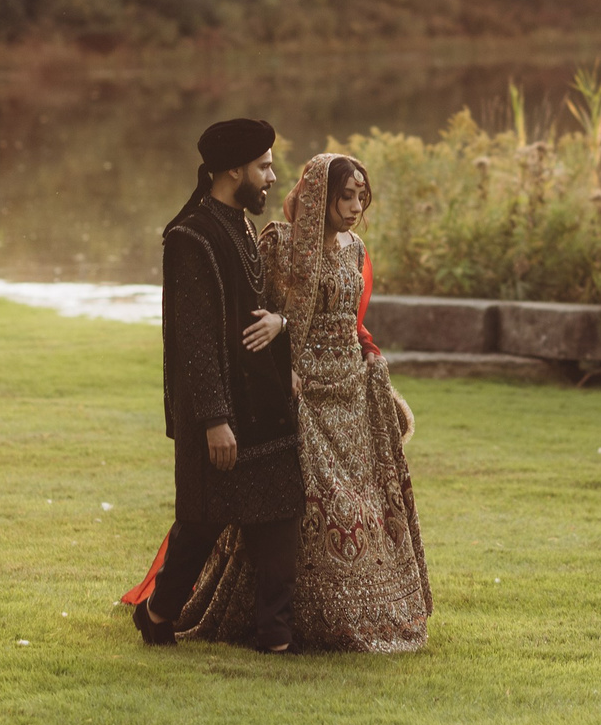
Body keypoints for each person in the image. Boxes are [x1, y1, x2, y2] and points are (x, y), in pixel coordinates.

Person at [174, 151, 430, 652]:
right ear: (319, 195)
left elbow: (355, 323)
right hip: (298, 391)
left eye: (362, 196)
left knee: (365, 507)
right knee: (312, 508)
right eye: (346, 196)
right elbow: (257, 310)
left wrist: (375, 371)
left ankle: (364, 617)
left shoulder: (356, 250)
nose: (355, 207)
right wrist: (281, 351)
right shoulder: (279, 242)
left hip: (350, 397)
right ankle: (288, 622)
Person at [123, 118, 305, 653]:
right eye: (264, 167)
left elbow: (253, 307)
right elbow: (195, 340)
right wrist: (214, 419)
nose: (272, 177)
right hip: (221, 409)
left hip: (262, 400)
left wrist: (280, 326)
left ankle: (276, 635)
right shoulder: (190, 237)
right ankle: (156, 613)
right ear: (233, 170)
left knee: (280, 510)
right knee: (202, 522)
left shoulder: (241, 225)